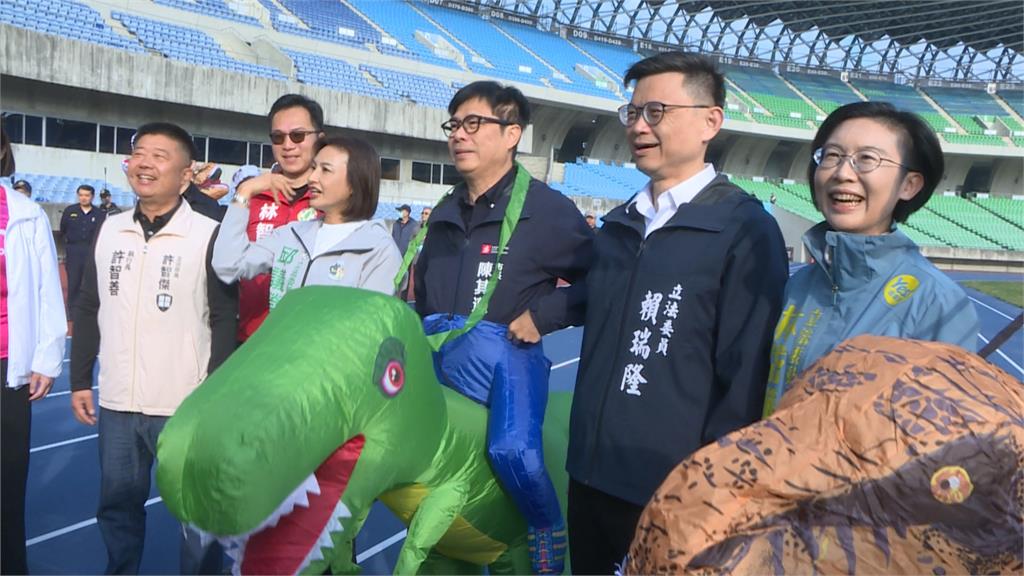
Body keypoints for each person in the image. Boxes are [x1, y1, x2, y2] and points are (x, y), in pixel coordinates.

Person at [566, 52, 788, 574]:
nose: (639, 127)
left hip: (672, 492)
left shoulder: (743, 229)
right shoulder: (621, 224)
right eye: (633, 112)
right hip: (589, 476)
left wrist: (715, 489)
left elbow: (745, 377)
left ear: (711, 120)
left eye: (657, 111)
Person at [414, 80, 594, 574]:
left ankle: (546, 528)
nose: (459, 136)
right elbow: (425, 296)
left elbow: (601, 280)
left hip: (508, 360)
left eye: (475, 124)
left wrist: (543, 316)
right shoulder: (446, 211)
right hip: (446, 364)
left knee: (511, 450)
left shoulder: (547, 210)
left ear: (512, 133)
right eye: (454, 125)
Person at [70, 122, 235, 575]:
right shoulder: (110, 228)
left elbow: (224, 318)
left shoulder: (208, 233)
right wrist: (80, 378)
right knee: (117, 509)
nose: (145, 163)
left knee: (198, 514)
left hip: (186, 402)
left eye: (160, 155)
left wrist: (215, 393)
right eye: (139, 152)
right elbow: (88, 305)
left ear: (186, 175)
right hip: (119, 400)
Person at [762, 101, 980, 415]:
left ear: (909, 185)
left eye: (866, 159)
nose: (842, 173)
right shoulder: (799, 286)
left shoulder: (936, 303)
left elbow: (945, 434)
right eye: (832, 155)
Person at [213, 135, 401, 302]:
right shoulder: (291, 235)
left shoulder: (377, 249)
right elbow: (228, 265)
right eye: (314, 168)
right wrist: (245, 191)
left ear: (355, 183)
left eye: (325, 170)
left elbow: (371, 326)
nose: (313, 177)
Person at [1, 130, 66, 576]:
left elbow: (46, 288)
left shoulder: (25, 214)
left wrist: (47, 357)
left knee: (7, 478)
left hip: (10, 362)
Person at [231, 93, 323, 342]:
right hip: (250, 339)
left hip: (309, 342)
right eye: (278, 137)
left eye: (298, 135)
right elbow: (226, 263)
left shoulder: (332, 202)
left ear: (320, 139)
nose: (288, 145)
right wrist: (245, 191)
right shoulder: (250, 198)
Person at [60, 184, 105, 311]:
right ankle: (72, 310)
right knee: (73, 282)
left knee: (89, 283)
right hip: (74, 251)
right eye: (81, 195)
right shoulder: (70, 211)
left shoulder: (99, 213)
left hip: (91, 251)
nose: (83, 198)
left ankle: (87, 310)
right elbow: (63, 229)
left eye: (86, 195)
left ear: (92, 197)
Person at [392, 204, 420, 298]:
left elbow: (416, 241)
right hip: (395, 256)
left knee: (404, 280)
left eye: (401, 211)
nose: (400, 213)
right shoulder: (396, 224)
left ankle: (403, 299)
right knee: (393, 278)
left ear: (407, 213)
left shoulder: (414, 225)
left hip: (406, 257)